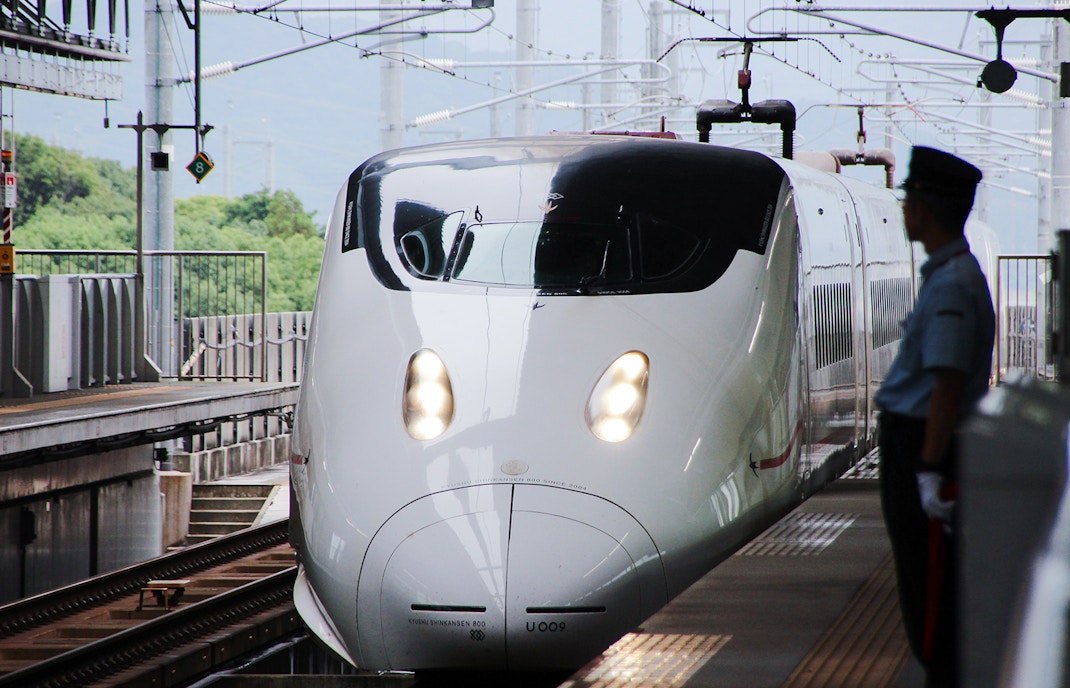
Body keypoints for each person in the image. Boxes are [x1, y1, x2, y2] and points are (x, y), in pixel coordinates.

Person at [874, 145, 995, 688]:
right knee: (926, 590)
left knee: (930, 598)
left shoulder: (950, 285)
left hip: (923, 447)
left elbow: (945, 385)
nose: (903, 209)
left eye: (908, 200)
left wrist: (926, 470)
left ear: (924, 209)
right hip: (923, 443)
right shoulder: (952, 275)